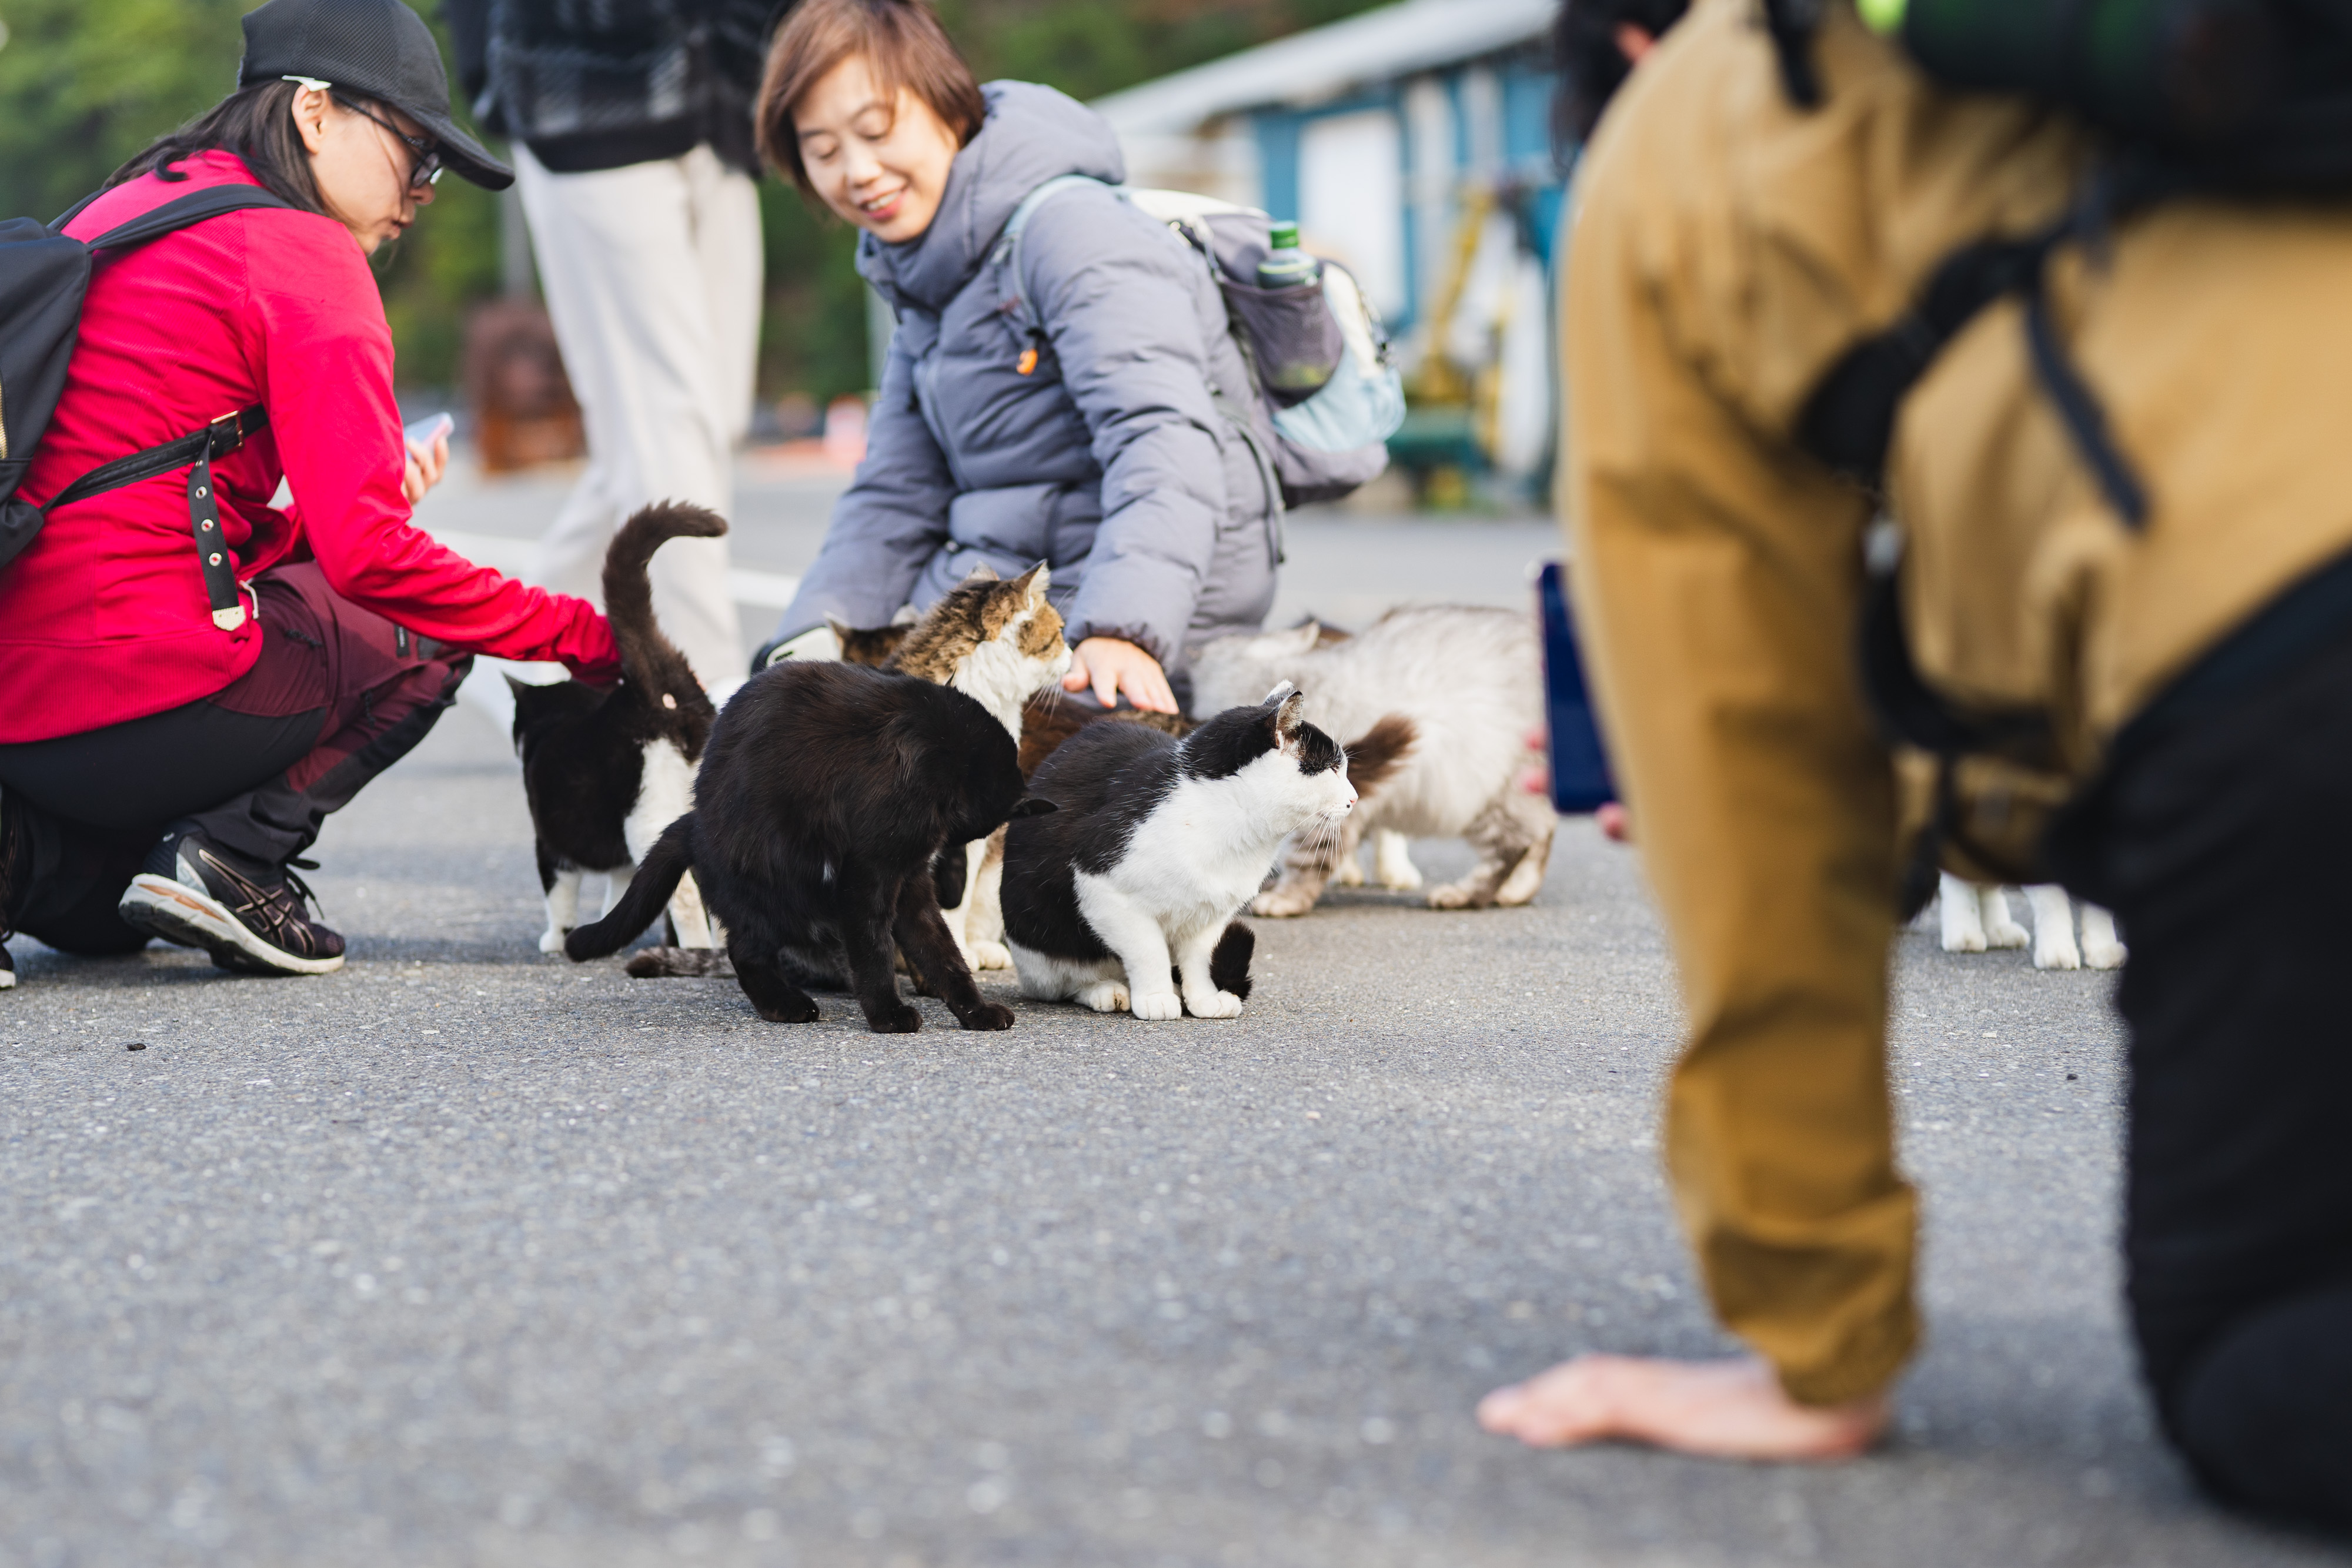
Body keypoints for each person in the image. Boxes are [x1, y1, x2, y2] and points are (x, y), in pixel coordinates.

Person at [1479, 0, 2352, 1532]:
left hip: (2276, 660)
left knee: (2262, 1356)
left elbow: (1749, 776)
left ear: (1623, 49)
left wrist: (1818, 1333)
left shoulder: (1695, 133)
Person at [0, 0, 621, 981]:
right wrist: (587, 636)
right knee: (428, 631)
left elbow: (132, 491)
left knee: (125, 913)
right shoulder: (304, 251)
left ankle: (21, 853)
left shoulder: (122, 207)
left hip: (17, 717)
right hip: (146, 693)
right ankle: (236, 855)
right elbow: (371, 560)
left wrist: (325, 509)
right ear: (317, 115)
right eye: (417, 154)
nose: (424, 192)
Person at [749, 0, 1280, 716]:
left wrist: (1122, 629)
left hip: (1138, 615)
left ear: (946, 104)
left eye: (877, 131)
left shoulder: (1071, 233)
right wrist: (809, 638)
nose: (858, 171)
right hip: (1009, 610)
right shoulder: (928, 275)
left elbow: (1163, 439)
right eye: (822, 152)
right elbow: (893, 493)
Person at [446, 0, 777, 688]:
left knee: (699, 423)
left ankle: (519, 648)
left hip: (720, 108)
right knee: (668, 421)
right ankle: (702, 693)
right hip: (586, 109)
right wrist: (491, 81)